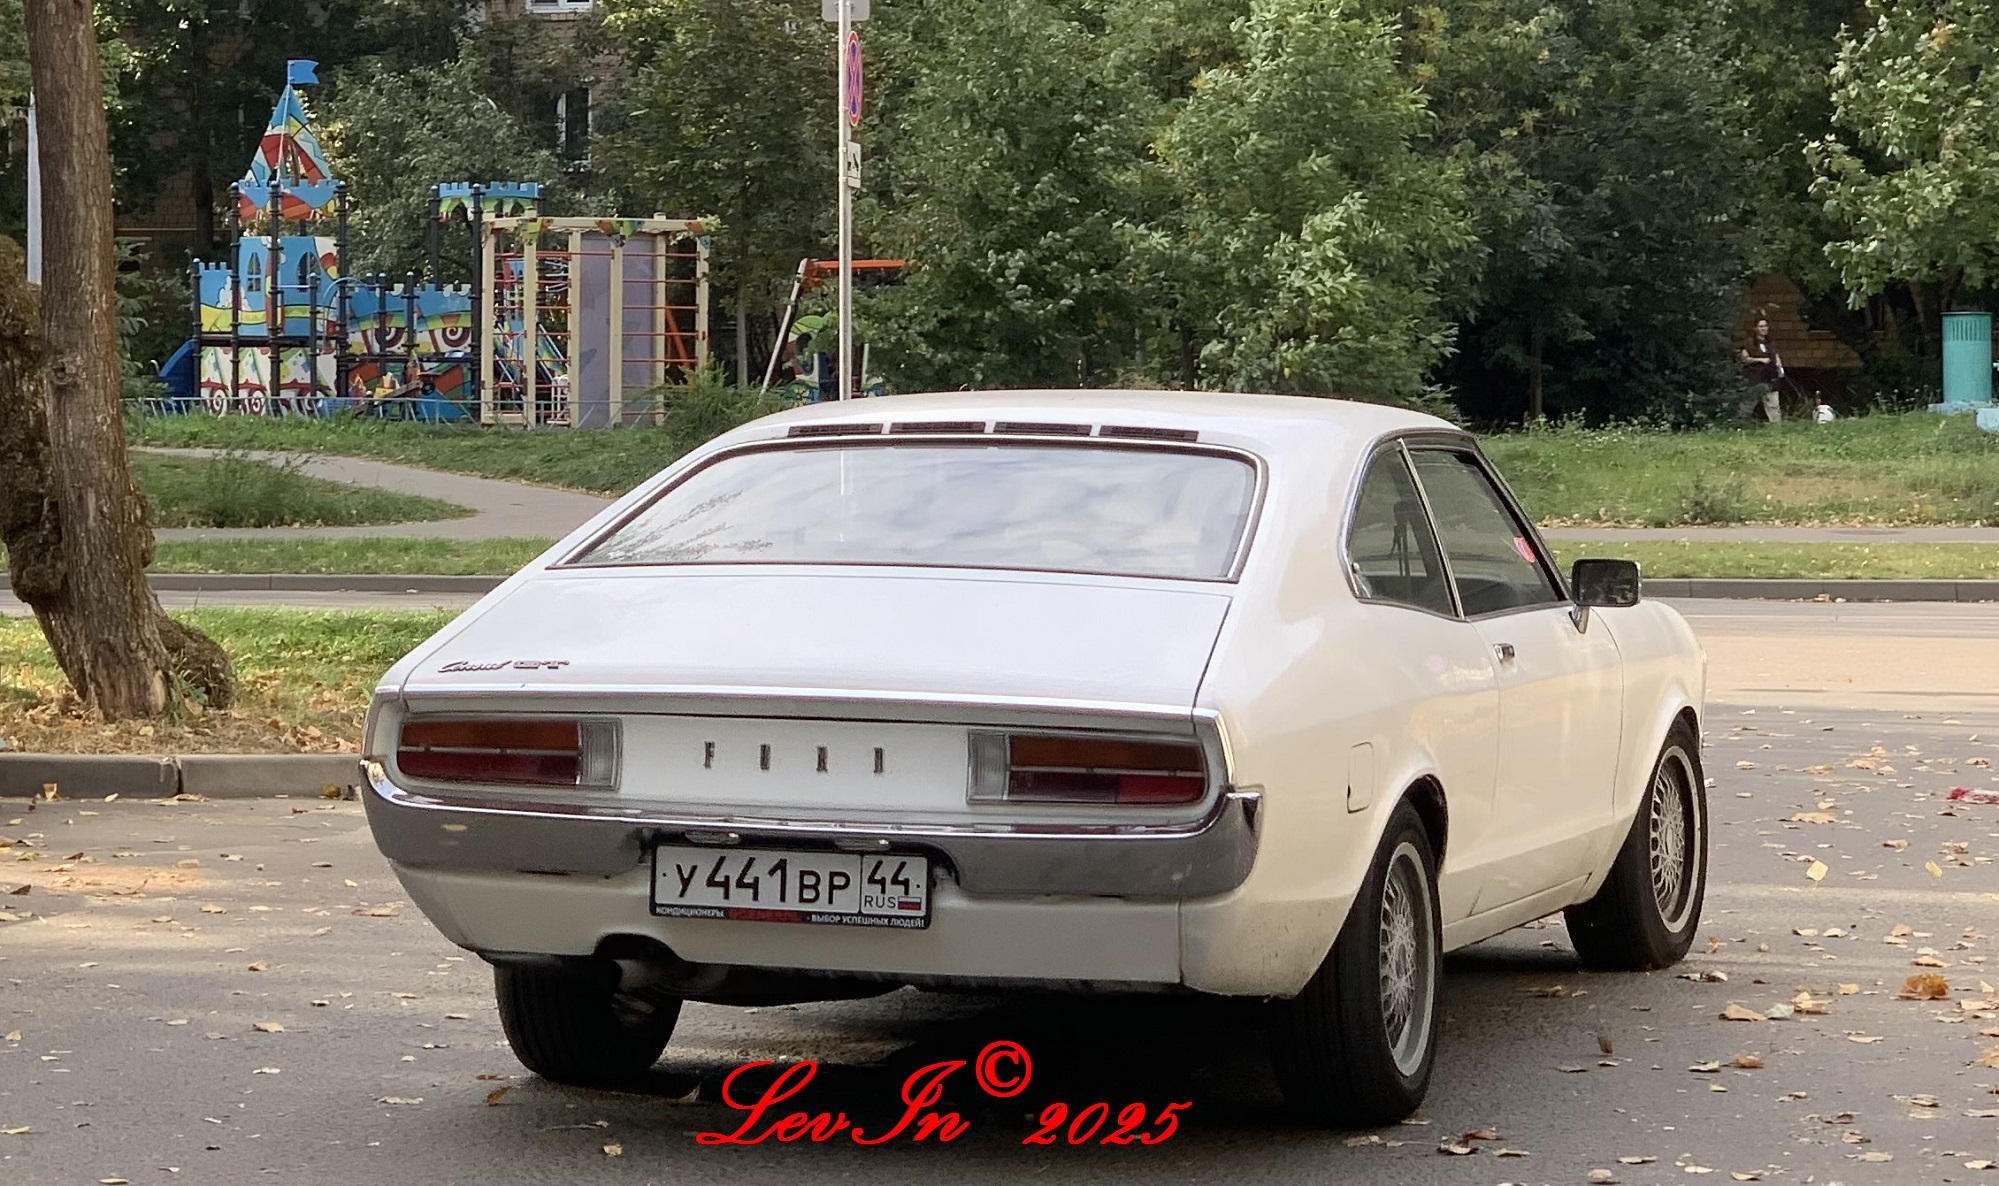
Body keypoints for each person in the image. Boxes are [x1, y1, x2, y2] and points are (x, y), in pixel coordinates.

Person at [1738, 316, 1785, 423]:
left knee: (1773, 404)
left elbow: (1775, 355)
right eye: (1761, 326)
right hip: (1755, 377)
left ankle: (1776, 427)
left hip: (1770, 377)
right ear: (1756, 328)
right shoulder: (1749, 342)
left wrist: (1779, 365)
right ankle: (1741, 425)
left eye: (1765, 326)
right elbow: (1744, 359)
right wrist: (1760, 360)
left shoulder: (1771, 342)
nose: (1764, 328)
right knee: (1748, 404)